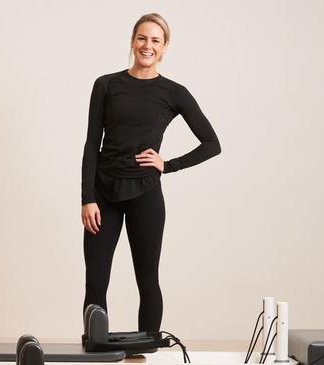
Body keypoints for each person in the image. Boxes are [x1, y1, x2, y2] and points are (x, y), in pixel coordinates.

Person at [80, 13, 221, 332]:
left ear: (165, 47)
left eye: (156, 40)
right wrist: (87, 198)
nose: (148, 45)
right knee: (96, 280)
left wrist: (167, 165)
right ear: (132, 41)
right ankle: (97, 349)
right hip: (103, 195)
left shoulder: (173, 92)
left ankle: (143, 352)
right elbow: (92, 144)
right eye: (142, 38)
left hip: (146, 195)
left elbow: (211, 143)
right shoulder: (106, 85)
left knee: (147, 279)